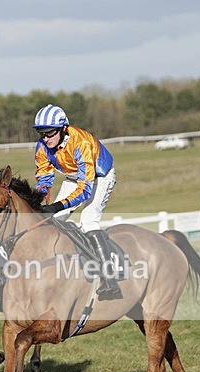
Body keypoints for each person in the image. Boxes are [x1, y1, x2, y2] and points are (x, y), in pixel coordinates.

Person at [32, 104, 121, 300]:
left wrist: (57, 205)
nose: (45, 138)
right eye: (41, 134)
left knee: (88, 220)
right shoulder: (42, 147)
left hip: (98, 176)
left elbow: (85, 189)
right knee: (52, 221)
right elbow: (45, 180)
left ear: (63, 128)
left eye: (49, 133)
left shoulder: (80, 142)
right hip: (73, 177)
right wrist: (38, 203)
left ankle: (109, 278)